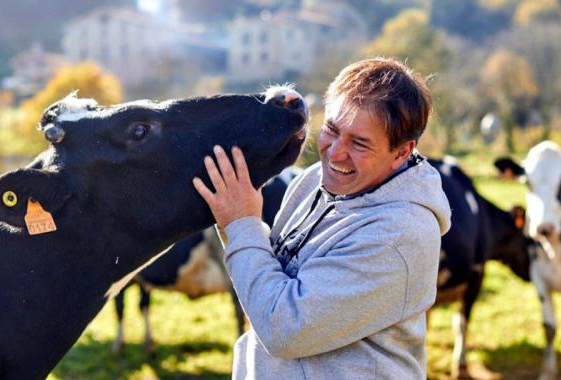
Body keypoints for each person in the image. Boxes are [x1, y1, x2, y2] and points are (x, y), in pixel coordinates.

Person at [193, 58, 451, 379]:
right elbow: (268, 286)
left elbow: (285, 328)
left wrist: (241, 224)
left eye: (359, 143)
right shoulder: (313, 181)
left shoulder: (399, 235)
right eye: (331, 129)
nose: (334, 153)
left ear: (402, 152)